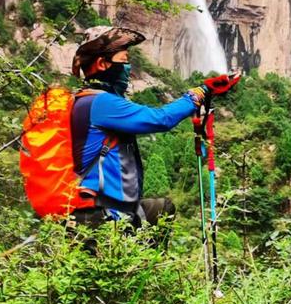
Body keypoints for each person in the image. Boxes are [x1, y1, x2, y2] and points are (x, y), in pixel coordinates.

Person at [70, 26, 207, 229]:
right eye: (124, 62)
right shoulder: (101, 103)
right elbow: (160, 119)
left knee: (161, 209)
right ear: (101, 63)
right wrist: (196, 95)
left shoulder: (85, 100)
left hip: (110, 210)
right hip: (100, 217)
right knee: (156, 215)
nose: (129, 69)